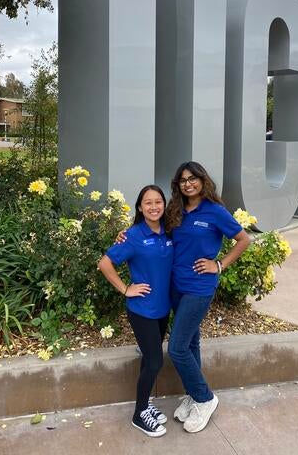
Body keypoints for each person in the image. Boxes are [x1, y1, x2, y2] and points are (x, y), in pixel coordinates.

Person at [165, 161, 250, 433]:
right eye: (183, 180)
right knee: (190, 343)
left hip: (199, 287)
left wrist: (220, 265)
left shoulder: (215, 211)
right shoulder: (176, 210)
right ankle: (193, 394)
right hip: (176, 286)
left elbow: (243, 240)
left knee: (177, 348)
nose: (188, 183)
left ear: (203, 180)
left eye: (193, 178)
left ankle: (205, 398)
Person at [98, 185, 173, 438]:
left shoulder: (169, 232)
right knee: (154, 360)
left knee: (150, 359)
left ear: (164, 205)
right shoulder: (132, 236)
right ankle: (139, 413)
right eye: (148, 203)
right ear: (140, 207)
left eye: (158, 202)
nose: (154, 207)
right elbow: (105, 264)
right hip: (142, 310)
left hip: (163, 309)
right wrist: (125, 288)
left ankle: (146, 405)